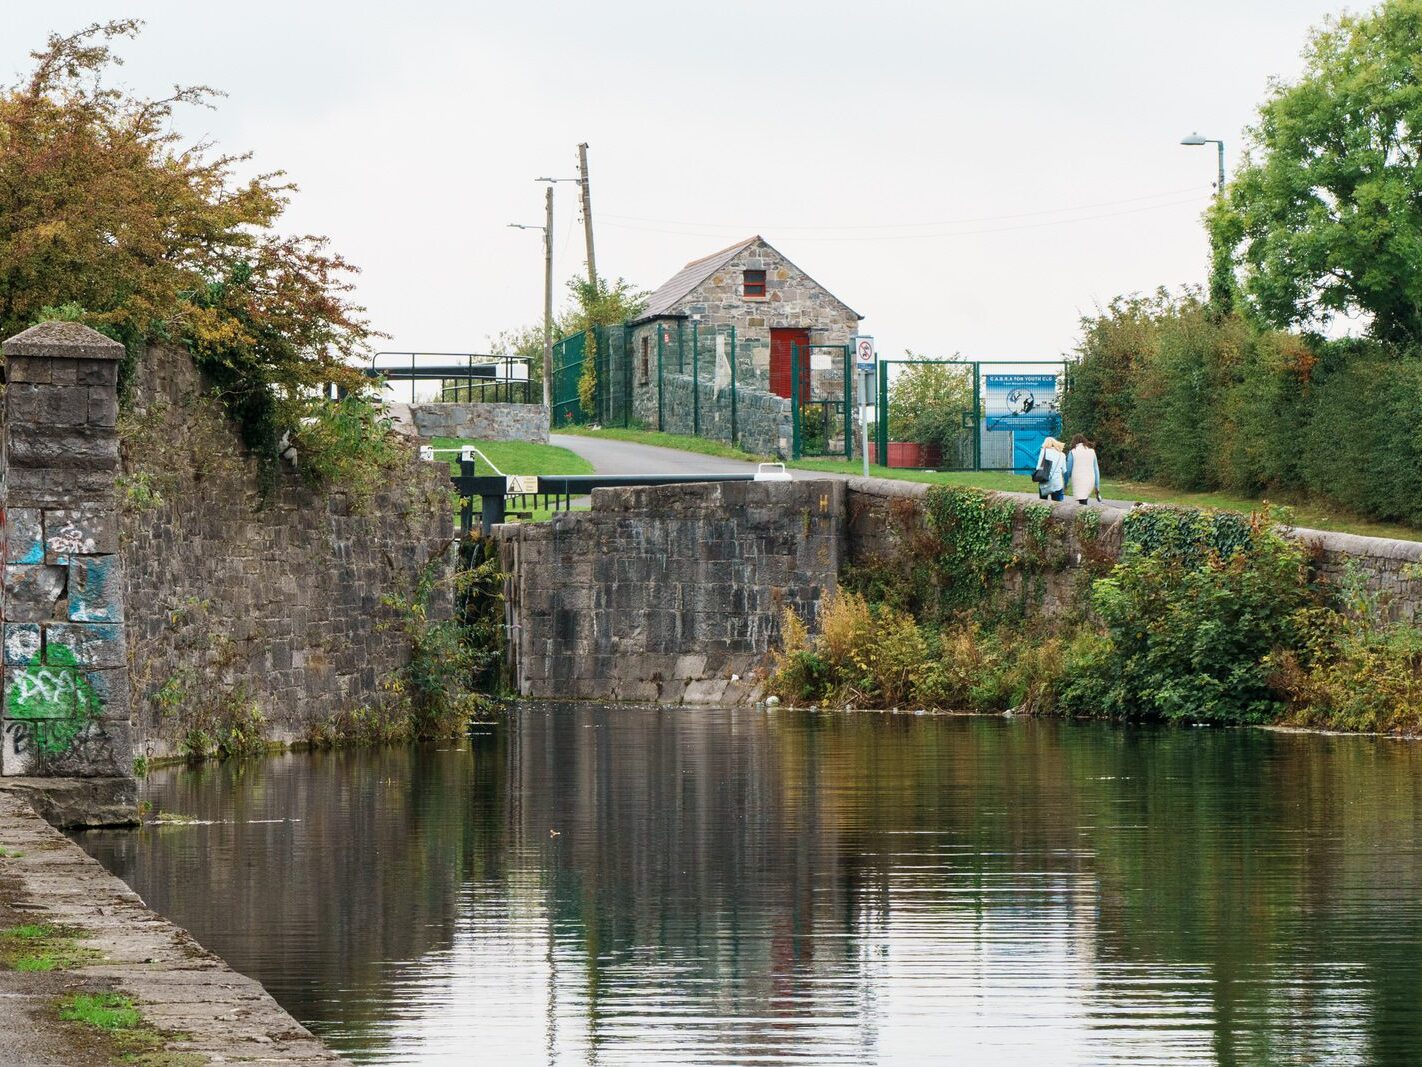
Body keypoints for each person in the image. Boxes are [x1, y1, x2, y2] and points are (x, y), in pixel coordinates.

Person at [1064, 434, 1101, 505]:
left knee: (1082, 501)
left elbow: (1068, 470)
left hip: (1078, 479)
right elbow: (1096, 470)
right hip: (1090, 479)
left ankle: (1083, 514)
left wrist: (1065, 483)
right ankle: (1083, 514)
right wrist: (1097, 487)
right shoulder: (1092, 451)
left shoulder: (1072, 452)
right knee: (1084, 499)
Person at [1034, 437, 1067, 501]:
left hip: (1044, 481)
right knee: (1057, 506)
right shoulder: (1062, 454)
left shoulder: (1044, 451)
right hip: (1057, 483)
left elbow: (1038, 467)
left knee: (1043, 504)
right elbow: (1064, 470)